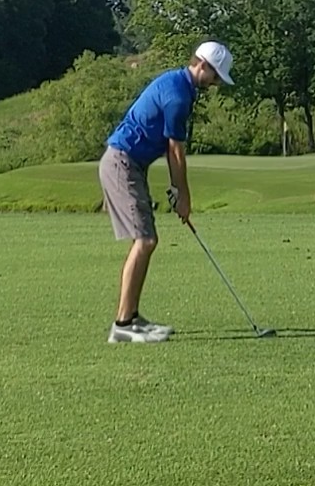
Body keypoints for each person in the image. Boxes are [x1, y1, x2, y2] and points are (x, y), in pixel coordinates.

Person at [98, 40, 233, 343]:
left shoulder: (180, 85)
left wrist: (175, 189)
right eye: (215, 76)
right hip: (121, 162)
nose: (215, 84)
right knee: (145, 240)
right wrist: (183, 196)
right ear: (203, 66)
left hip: (130, 163)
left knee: (147, 240)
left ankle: (132, 318)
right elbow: (175, 151)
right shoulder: (178, 96)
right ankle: (122, 324)